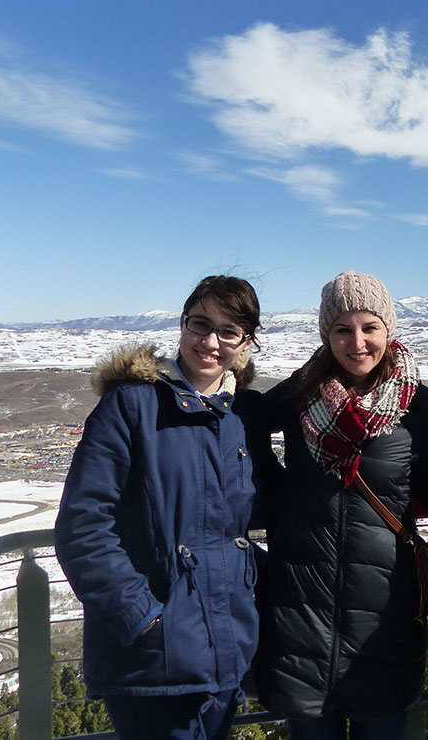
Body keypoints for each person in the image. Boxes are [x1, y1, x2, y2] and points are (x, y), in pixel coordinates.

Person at [56, 275, 272, 740]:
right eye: (200, 323)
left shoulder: (239, 416)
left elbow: (246, 514)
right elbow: (82, 526)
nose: (210, 341)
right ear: (182, 324)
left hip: (225, 649)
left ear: (247, 343)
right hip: (151, 661)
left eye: (229, 331)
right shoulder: (130, 405)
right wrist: (145, 619)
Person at [253, 271, 428, 740]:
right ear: (327, 334)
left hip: (384, 617)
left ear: (389, 330)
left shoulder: (417, 405)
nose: (357, 342)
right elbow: (242, 428)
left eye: (370, 327)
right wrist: (277, 498)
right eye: (343, 329)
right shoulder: (298, 394)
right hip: (302, 613)